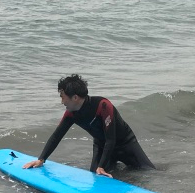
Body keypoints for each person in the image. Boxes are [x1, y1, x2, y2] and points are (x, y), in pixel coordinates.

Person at [23, 74, 154, 177]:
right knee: (96, 176)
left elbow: (111, 139)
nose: (61, 101)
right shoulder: (71, 113)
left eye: (63, 97)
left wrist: (101, 166)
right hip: (101, 146)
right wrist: (41, 159)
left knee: (149, 171)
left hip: (125, 144)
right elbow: (57, 136)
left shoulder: (103, 105)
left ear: (75, 97)